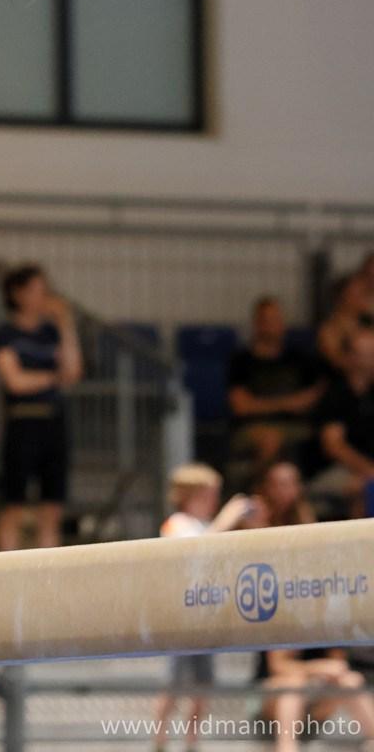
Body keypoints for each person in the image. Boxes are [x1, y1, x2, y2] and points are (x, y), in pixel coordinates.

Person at [152, 464, 256, 752]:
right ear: (190, 496)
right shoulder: (176, 524)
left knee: (203, 684)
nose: (214, 501)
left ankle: (191, 743)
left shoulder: (206, 525)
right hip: (180, 619)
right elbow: (196, 549)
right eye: (209, 495)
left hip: (205, 616)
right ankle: (159, 741)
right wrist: (227, 518)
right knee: (174, 683)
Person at [0, 265, 83, 552]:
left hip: (54, 422)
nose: (42, 296)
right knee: (14, 505)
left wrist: (66, 324)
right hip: (22, 422)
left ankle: (49, 568)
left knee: (52, 508)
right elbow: (15, 381)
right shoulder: (5, 334)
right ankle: (5, 565)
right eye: (34, 290)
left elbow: (73, 372)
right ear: (17, 294)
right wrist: (53, 378)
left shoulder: (51, 332)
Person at [227, 296, 327, 470]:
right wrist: (289, 403)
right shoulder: (241, 361)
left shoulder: (300, 359)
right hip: (253, 427)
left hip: (296, 426)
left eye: (277, 320)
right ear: (257, 324)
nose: (272, 326)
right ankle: (262, 484)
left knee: (325, 435)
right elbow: (241, 406)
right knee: (270, 439)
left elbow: (313, 396)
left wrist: (260, 404)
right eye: (267, 320)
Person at [255, 648, 374, 752]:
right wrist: (317, 668)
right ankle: (286, 748)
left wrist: (322, 676)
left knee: (350, 681)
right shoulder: (285, 630)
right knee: (293, 684)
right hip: (274, 699)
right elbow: (277, 666)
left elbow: (338, 666)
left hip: (317, 698)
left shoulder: (330, 631)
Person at [315, 327, 374, 518]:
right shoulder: (335, 395)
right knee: (362, 487)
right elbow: (334, 447)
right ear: (351, 358)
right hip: (338, 469)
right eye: (367, 354)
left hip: (369, 467)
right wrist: (368, 469)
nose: (371, 359)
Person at [317, 272, 373, 373]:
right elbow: (336, 362)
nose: (368, 298)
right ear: (343, 297)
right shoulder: (330, 330)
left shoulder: (368, 323)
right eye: (361, 294)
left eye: (367, 293)